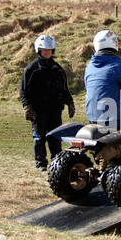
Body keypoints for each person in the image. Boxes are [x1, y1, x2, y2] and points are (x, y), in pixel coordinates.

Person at [19, 35, 75, 172]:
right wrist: (27, 107)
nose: (47, 52)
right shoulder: (32, 69)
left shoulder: (58, 69)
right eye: (44, 50)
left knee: (55, 138)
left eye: (50, 50)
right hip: (38, 111)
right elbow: (23, 90)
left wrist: (70, 103)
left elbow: (64, 88)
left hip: (55, 110)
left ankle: (57, 164)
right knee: (39, 138)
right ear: (38, 50)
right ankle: (41, 163)